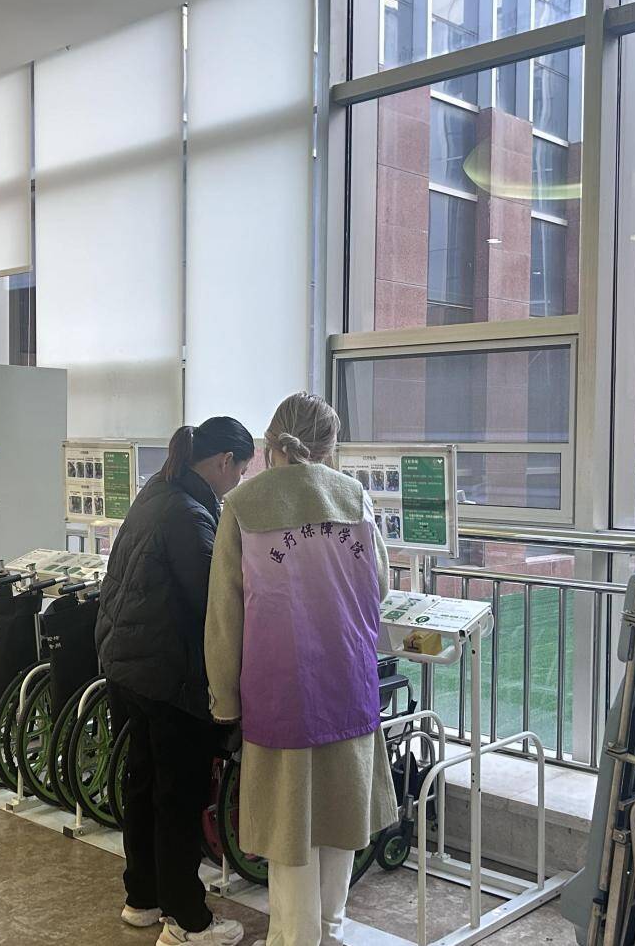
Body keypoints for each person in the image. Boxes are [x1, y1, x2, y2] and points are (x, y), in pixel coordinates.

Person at [205, 393, 397, 946]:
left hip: (279, 689)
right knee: (340, 815)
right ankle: (332, 929)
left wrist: (225, 699)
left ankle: (295, 936)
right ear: (329, 447)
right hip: (347, 681)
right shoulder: (354, 497)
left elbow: (224, 615)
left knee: (289, 827)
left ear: (271, 444)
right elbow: (380, 586)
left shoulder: (243, 504)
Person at [96, 416, 255, 946]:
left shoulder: (157, 493)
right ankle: (188, 921)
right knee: (178, 796)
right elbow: (213, 600)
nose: (238, 483)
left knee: (142, 785)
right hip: (169, 677)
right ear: (224, 462)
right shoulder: (189, 513)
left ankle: (142, 898)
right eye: (241, 470)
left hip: (128, 666)